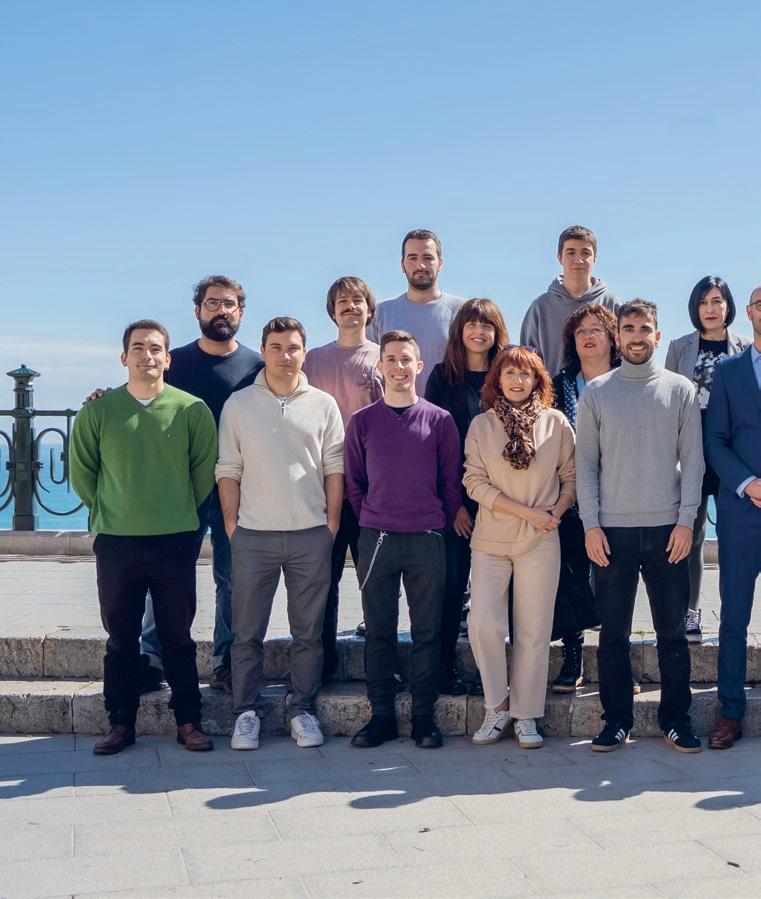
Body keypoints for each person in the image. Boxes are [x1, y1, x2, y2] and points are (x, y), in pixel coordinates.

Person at [84, 275, 263, 696]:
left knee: (232, 578)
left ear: (241, 312)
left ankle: (225, 660)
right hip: (180, 489)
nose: (221, 310)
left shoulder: (257, 366)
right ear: (198, 310)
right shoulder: (173, 361)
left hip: (240, 486)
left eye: (229, 304)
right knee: (162, 577)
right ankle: (151, 658)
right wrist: (102, 396)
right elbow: (141, 394)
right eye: (212, 303)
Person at [70, 320, 217, 755]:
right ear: (124, 357)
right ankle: (120, 724)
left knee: (178, 637)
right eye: (138, 348)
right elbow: (83, 472)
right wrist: (112, 508)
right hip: (118, 541)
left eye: (155, 348)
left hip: (175, 540)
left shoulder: (192, 410)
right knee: (120, 639)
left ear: (167, 359)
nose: (146, 355)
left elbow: (203, 471)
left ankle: (188, 721)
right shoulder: (98, 412)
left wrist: (176, 509)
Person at [576, 299, 704, 753]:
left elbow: (693, 461)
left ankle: (677, 720)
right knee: (613, 635)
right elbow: (586, 464)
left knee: (673, 635)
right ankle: (616, 721)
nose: (636, 336)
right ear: (617, 336)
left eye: (644, 328)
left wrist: (686, 522)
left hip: (668, 530)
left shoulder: (680, 389)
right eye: (628, 328)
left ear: (657, 335)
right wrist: (591, 525)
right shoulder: (597, 392)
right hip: (612, 533)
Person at [216, 317, 344, 751]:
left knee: (308, 633)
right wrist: (232, 525)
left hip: (311, 535)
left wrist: (330, 524)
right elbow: (228, 468)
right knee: (246, 633)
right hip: (254, 536)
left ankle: (302, 710)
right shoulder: (238, 404)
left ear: (304, 352)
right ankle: (245, 713)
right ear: (264, 351)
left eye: (292, 348)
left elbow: (334, 468)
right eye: (276, 347)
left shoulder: (324, 404)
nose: (285, 356)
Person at [344, 331, 461, 749]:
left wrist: (436, 522)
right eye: (390, 359)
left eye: (405, 359)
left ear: (419, 366)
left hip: (427, 538)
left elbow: (451, 482)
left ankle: (424, 718)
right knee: (380, 630)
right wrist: (374, 515)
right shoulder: (362, 421)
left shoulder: (440, 420)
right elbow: (354, 482)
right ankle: (382, 717)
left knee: (428, 631)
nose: (398, 367)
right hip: (377, 538)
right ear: (380, 367)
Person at [464, 346, 575, 748]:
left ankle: (526, 713)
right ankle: (498, 704)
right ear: (497, 379)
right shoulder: (482, 425)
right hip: (491, 540)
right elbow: (473, 482)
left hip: (541, 539)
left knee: (534, 630)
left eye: (525, 374)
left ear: (537, 381)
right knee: (483, 624)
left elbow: (571, 478)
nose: (517, 380)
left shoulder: (555, 422)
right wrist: (526, 513)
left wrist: (555, 511)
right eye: (509, 372)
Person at [424, 298, 510, 695]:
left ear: (497, 332)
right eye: (471, 324)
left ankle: (503, 675)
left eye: (486, 325)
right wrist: (454, 504)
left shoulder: (509, 373)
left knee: (501, 592)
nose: (479, 332)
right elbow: (433, 445)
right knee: (452, 585)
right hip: (455, 500)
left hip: (503, 498)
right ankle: (443, 668)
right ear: (460, 330)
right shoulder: (442, 377)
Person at [302, 276, 383, 681]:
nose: (350, 307)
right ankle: (322, 664)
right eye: (342, 301)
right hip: (324, 487)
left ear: (370, 309)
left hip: (372, 489)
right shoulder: (312, 360)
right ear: (332, 311)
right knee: (323, 580)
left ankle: (380, 665)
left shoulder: (385, 356)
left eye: (357, 300)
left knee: (375, 580)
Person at [665, 276, 750, 643]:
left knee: (735, 537)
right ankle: (691, 612)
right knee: (693, 532)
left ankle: (734, 614)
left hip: (733, 453)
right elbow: (667, 402)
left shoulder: (746, 348)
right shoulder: (679, 348)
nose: (711, 309)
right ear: (695, 308)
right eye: (703, 302)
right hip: (692, 451)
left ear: (728, 305)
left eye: (717, 301)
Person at [550, 303, 619, 692]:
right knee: (571, 576)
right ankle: (572, 654)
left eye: (596, 329)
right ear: (571, 342)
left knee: (616, 580)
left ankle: (616, 661)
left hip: (621, 497)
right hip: (572, 496)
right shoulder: (557, 386)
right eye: (580, 332)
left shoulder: (629, 380)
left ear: (611, 337)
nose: (588, 337)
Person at [704, 286, 761, 750]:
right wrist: (748, 484)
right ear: (750, 313)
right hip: (741, 510)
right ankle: (730, 712)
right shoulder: (727, 371)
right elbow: (715, 440)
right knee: (734, 616)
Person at [368, 229, 465, 395]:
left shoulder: (462, 312)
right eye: (413, 258)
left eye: (428, 258)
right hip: (393, 410)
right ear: (402, 264)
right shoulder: (380, 314)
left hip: (449, 410)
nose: (421, 265)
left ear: (440, 263)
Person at [520, 225, 621, 377]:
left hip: (606, 391)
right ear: (559, 258)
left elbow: (624, 355)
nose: (578, 260)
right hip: (553, 391)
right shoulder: (540, 307)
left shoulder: (611, 303)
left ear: (595, 258)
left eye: (585, 253)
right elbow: (527, 361)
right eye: (571, 252)